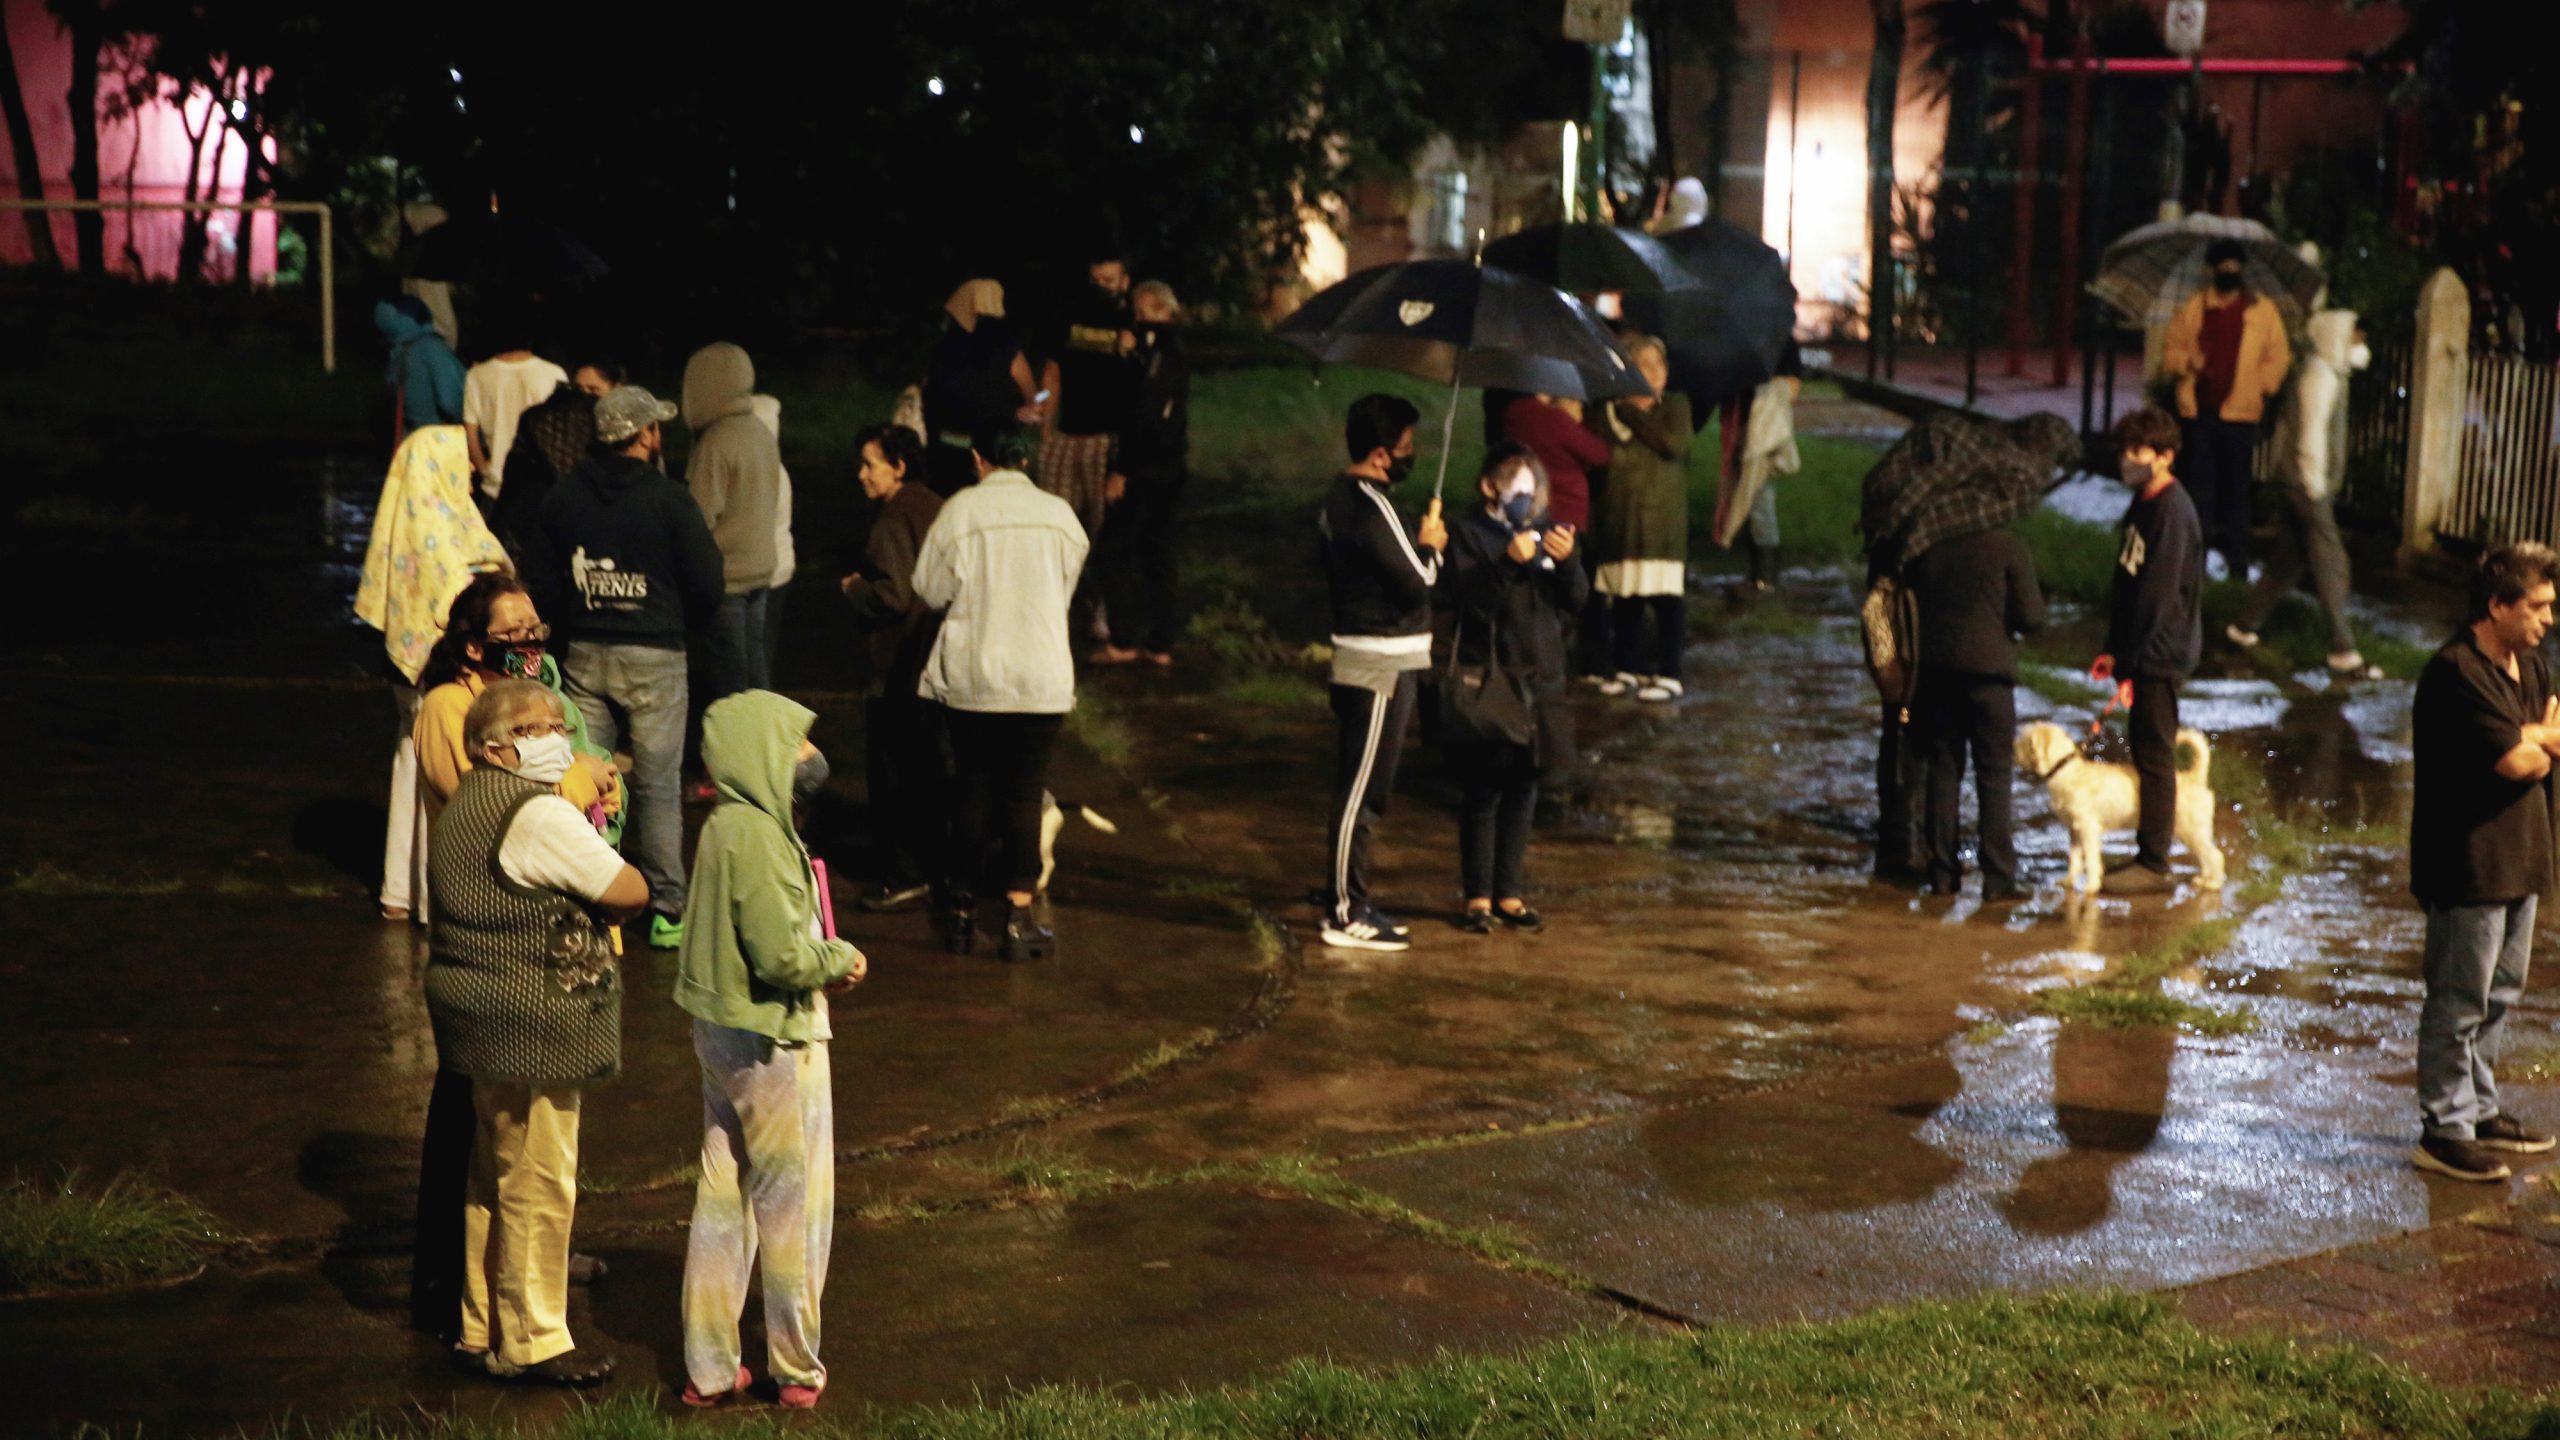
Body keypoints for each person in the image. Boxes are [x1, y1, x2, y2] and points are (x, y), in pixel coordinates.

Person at [404, 571, 619, 1342]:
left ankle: (512, 1286)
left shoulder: (540, 711)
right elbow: (497, 814)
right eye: (514, 632)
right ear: (473, 643)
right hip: (490, 945)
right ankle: (463, 1294)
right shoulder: (447, 709)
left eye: (536, 629)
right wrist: (571, 789)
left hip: (541, 941)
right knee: (488, 1145)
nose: (531, 644)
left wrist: (593, 791)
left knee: (522, 1151)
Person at [426, 679, 649, 1386]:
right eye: (533, 727)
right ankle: (534, 1340)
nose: (554, 735)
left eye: (558, 721)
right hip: (533, 1020)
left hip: (480, 1017)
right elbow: (627, 888)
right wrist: (581, 814)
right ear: (493, 747)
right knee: (540, 1178)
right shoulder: (536, 816)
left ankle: (480, 1324)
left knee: (492, 1175)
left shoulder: (467, 804)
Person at [674, 690, 865, 1410]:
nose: (810, 760)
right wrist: (838, 958)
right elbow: (782, 955)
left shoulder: (724, 826)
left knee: (723, 1201)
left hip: (719, 1034)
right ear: (762, 755)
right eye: (797, 746)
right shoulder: (760, 836)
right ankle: (796, 1367)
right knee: (793, 1208)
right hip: (773, 1041)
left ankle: (710, 1368)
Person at [526, 385, 727, 949]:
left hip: (586, 651)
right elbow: (708, 581)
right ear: (644, 436)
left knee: (585, 775)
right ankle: (666, 907)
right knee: (661, 786)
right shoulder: (670, 499)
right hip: (656, 654)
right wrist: (678, 621)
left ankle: (592, 891)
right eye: (656, 427)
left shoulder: (565, 497)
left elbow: (539, 578)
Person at [2409, 542, 2560, 1183]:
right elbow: (2519, 761)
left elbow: (2542, 739)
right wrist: (2534, 738)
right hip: (2465, 860)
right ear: (2496, 605)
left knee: (2501, 993)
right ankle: (2444, 1128)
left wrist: (2529, 735)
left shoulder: (2534, 668)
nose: (2547, 619)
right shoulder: (2456, 671)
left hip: (2522, 852)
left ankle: (2481, 1109)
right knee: (2459, 997)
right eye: (2536, 606)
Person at [912, 425, 1089, 960]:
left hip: (976, 677)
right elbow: (1065, 590)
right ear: (1028, 462)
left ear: (978, 459)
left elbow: (929, 588)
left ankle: (961, 912)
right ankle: (1017, 915)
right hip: (1041, 679)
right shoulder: (1062, 517)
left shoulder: (961, 512)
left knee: (972, 788)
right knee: (1025, 794)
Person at [353, 423, 509, 923]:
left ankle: (398, 889)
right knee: (443, 780)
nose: (468, 469)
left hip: (405, 672)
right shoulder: (456, 538)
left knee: (408, 765)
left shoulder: (404, 526)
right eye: (462, 460)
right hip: (443, 677)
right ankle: (433, 899)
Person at [1318, 394, 1447, 951]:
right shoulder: (1370, 506)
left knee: (1367, 789)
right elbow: (1417, 581)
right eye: (1405, 449)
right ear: (1378, 454)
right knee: (1361, 793)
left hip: (1372, 658)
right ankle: (1346, 911)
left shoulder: (1339, 501)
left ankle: (1352, 897)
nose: (1410, 457)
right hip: (1377, 666)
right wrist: (1433, 547)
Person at [1441, 444, 1586, 933]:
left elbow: (1577, 601)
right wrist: (1507, 561)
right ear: (1490, 488)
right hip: (1492, 675)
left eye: (1534, 489)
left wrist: (1567, 564)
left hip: (1540, 675)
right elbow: (1472, 604)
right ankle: (1477, 896)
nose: (1528, 498)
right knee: (1484, 788)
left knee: (1526, 785)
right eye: (1518, 488)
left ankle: (1509, 892)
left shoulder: (1545, 533)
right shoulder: (1468, 533)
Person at [2226, 308, 2382, 679]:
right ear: (2337, 337)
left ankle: (2243, 627)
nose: (2360, 344)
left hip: (2303, 483)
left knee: (2288, 560)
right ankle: (2343, 649)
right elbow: (2310, 436)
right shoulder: (2320, 377)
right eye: (2356, 337)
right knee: (2331, 560)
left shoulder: (2330, 373)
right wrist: (2315, 487)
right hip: (2306, 484)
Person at [2089, 407, 2205, 896]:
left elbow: (2158, 599)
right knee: (2143, 749)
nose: (2128, 461)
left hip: (2160, 653)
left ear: (2165, 457)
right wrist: (2115, 651)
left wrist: (2135, 661)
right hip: (2140, 651)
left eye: (2139, 452)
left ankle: (2155, 863)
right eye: (2126, 451)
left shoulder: (2173, 513)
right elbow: (2128, 585)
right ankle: (2147, 851)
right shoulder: (2142, 504)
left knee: (2156, 757)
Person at [1906, 520, 2046, 903]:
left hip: (1936, 676)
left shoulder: (1927, 548)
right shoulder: (2007, 546)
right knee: (1994, 776)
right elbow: (2031, 616)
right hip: (1989, 678)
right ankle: (1998, 878)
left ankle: (1941, 874)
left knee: (1944, 771)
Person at [839, 424, 948, 912]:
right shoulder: (936, 507)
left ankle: (901, 875)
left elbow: (894, 595)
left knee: (893, 775)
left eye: (870, 463)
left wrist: (855, 589)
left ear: (899, 466)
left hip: (896, 666)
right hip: (936, 661)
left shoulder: (891, 521)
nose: (861, 474)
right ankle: (934, 865)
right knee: (928, 770)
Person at [2160, 238, 2292, 581]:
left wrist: (2261, 385)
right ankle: (2195, 565)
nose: (2229, 271)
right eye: (2223, 265)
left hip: (2240, 417)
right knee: (2199, 492)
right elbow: (2170, 353)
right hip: (2199, 415)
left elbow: (2278, 357)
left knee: (2237, 493)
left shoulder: (2262, 312)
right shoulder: (2193, 308)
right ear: (2211, 270)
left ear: (2243, 269)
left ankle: (2238, 566)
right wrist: (2191, 361)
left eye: (2235, 265)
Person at [1092, 279, 1191, 667]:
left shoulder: (1159, 353)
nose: (1139, 322)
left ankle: (1127, 639)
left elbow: (1143, 415)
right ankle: (1158, 642)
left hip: (1147, 469)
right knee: (1155, 551)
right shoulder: (1169, 352)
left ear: (1166, 313)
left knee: (1116, 550)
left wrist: (1122, 470)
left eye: (1147, 314)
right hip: (1166, 466)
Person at [1590, 336, 1692, 701]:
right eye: (1640, 365)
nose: (1649, 373)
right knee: (1624, 598)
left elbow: (1672, 444)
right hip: (1618, 518)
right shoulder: (1606, 410)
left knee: (1665, 599)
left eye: (1656, 365)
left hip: (1660, 522)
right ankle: (1626, 666)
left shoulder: (1675, 407)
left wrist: (1633, 409)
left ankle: (1669, 671)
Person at [682, 342, 787, 698]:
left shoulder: (717, 441)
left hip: (727, 579)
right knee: (756, 673)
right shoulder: (759, 432)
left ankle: (735, 752)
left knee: (730, 683)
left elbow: (697, 518)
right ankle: (769, 748)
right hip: (761, 572)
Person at [1040, 248, 1136, 539]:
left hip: (1107, 440)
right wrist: (1046, 431)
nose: (1101, 287)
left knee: (1102, 526)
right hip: (1067, 436)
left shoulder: (1132, 322)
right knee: (1056, 521)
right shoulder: (1069, 318)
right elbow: (1051, 377)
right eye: (1096, 280)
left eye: (1109, 280)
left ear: (1124, 282)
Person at [922, 279, 1040, 497]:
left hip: (946, 453)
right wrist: (1026, 410)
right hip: (993, 454)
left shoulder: (943, 350)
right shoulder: (1007, 349)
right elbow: (1033, 397)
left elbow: (932, 399)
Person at [488, 363, 613, 561]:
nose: (584, 396)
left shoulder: (537, 419)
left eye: (593, 390)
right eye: (580, 389)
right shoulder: (591, 426)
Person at [1719, 340, 1803, 592]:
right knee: (1746, 495)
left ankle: (1766, 575)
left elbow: (1793, 388)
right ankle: (1758, 571)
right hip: (1743, 426)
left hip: (1763, 429)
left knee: (1760, 499)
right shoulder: (1741, 344)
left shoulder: (1781, 343)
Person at [462, 327, 569, 503]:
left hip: (495, 485)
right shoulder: (554, 373)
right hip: (543, 485)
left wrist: (484, 470)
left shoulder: (476, 376)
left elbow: (470, 434)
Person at [378, 297, 466, 441]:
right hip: (440, 438)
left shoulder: (398, 353)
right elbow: (449, 400)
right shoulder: (432, 348)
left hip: (411, 437)